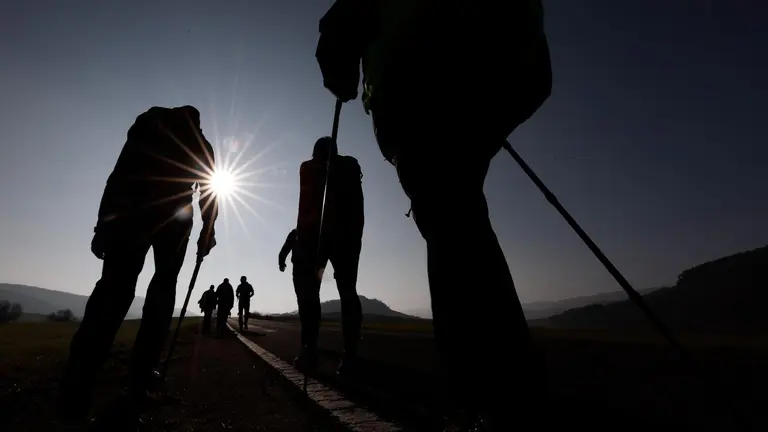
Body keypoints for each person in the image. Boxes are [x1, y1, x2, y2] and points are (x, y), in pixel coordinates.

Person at [315, 0, 553, 428]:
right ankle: (502, 394)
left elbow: (338, 35)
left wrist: (342, 76)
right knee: (456, 211)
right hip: (514, 65)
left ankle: (495, 398)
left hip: (422, 76)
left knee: (450, 217)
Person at [56, 105, 219, 423]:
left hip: (133, 212)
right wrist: (208, 231)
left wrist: (103, 226)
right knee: (162, 291)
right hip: (175, 218)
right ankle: (140, 378)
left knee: (114, 290)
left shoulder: (150, 124)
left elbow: (120, 174)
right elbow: (209, 192)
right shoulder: (201, 143)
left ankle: (78, 378)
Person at [289, 137, 364, 375]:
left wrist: (301, 242)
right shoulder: (345, 165)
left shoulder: (314, 167)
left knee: (316, 293)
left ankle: (314, 350)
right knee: (342, 291)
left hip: (323, 240)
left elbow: (305, 209)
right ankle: (344, 354)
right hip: (339, 239)